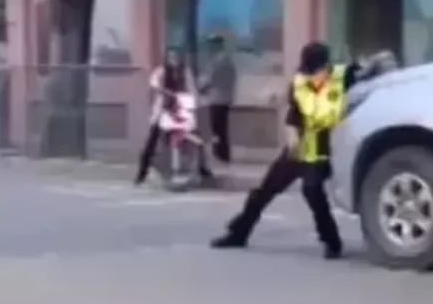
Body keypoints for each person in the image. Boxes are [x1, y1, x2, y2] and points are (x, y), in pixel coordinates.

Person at [210, 41, 359, 259]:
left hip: (322, 146)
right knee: (265, 190)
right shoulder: (301, 81)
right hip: (299, 145)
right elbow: (293, 117)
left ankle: (332, 242)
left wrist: (359, 67)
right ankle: (239, 233)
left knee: (313, 193)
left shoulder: (338, 77)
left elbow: (367, 71)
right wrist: (292, 141)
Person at [134, 48, 214, 185]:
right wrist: (164, 92)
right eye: (171, 57)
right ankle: (142, 172)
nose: (174, 60)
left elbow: (192, 90)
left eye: (176, 57)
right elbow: (154, 83)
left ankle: (203, 168)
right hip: (164, 110)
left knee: (195, 137)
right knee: (152, 141)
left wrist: (192, 105)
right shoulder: (162, 72)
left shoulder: (185, 72)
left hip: (181, 109)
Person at [198, 34, 237, 164]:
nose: (209, 48)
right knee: (223, 129)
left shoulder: (215, 61)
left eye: (211, 45)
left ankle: (220, 155)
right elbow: (232, 79)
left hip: (216, 99)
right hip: (226, 98)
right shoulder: (228, 61)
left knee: (217, 129)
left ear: (216, 46)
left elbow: (207, 80)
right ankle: (224, 154)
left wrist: (199, 88)